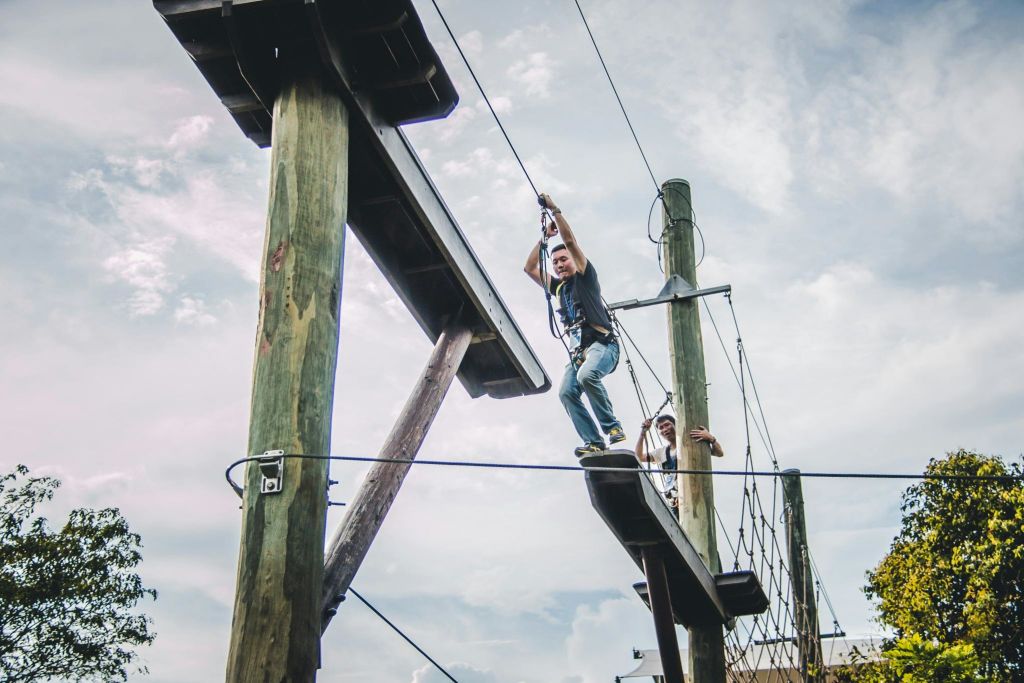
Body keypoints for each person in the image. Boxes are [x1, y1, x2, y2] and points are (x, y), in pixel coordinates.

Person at [524, 193, 625, 457]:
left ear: (574, 260)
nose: (558, 265)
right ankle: (594, 441)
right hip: (579, 354)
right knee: (567, 392)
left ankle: (612, 427)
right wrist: (544, 239)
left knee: (586, 377)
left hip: (603, 346)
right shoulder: (558, 288)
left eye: (563, 260)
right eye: (556, 262)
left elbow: (569, 241)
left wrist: (554, 210)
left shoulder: (585, 277)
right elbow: (530, 268)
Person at [634, 414, 724, 508]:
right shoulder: (662, 452)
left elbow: (719, 453)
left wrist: (711, 439)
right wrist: (642, 433)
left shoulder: (691, 443)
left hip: (692, 497)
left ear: (676, 425)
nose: (665, 429)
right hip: (673, 501)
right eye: (661, 428)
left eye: (667, 425)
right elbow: (639, 457)